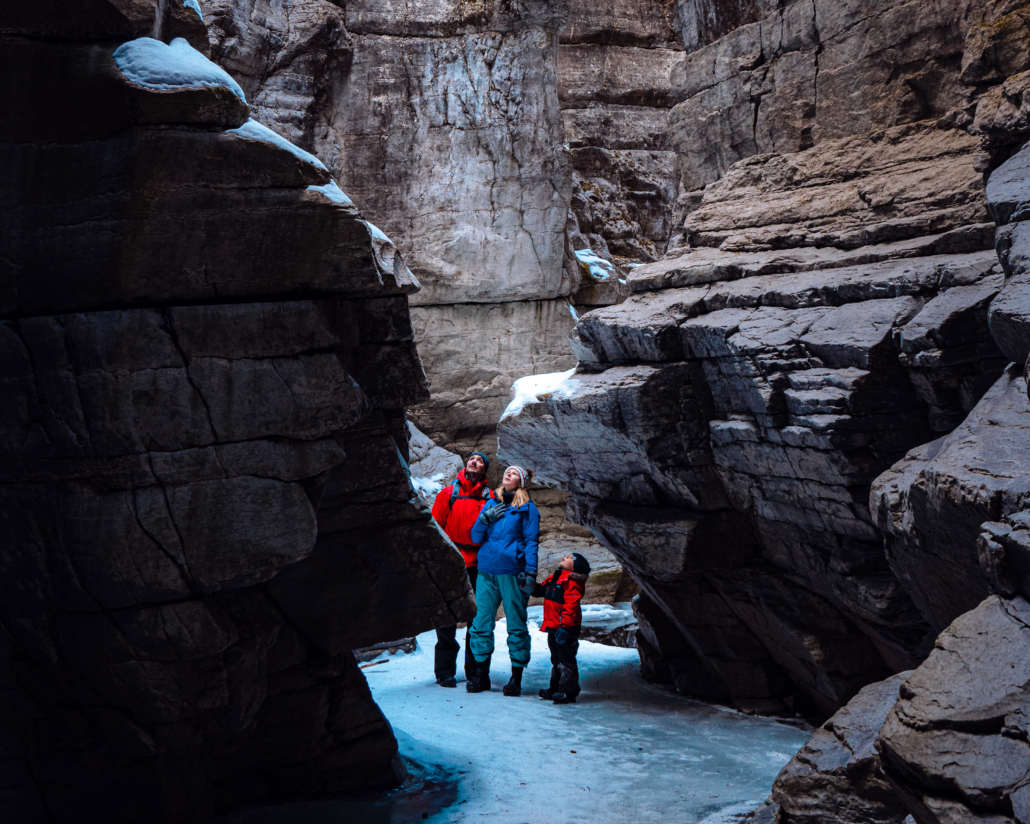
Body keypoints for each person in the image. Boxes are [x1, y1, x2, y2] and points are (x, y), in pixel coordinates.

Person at [465, 465, 539, 696]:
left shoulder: (528, 509)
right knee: (480, 624)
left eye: (515, 473)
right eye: (508, 471)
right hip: (486, 571)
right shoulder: (490, 503)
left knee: (516, 626)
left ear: (521, 482)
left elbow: (531, 542)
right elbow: (475, 537)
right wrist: (484, 520)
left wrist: (530, 573)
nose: (508, 474)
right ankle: (481, 676)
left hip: (512, 573)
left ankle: (515, 679)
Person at [430, 451, 495, 688]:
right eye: (471, 459)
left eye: (479, 461)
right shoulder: (449, 493)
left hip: (479, 565)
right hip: (452, 561)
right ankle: (445, 671)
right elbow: (434, 527)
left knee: (476, 621)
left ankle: (474, 671)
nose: (473, 462)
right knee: (446, 617)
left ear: (484, 470)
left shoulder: (491, 498)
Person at [534, 552, 591, 704]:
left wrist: (566, 627)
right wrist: (530, 586)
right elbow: (542, 590)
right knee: (556, 659)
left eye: (571, 558)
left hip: (566, 628)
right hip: (554, 626)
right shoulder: (556, 577)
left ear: (576, 567)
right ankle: (555, 688)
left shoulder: (572, 581)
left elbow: (571, 606)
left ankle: (568, 691)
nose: (566, 557)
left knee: (566, 660)